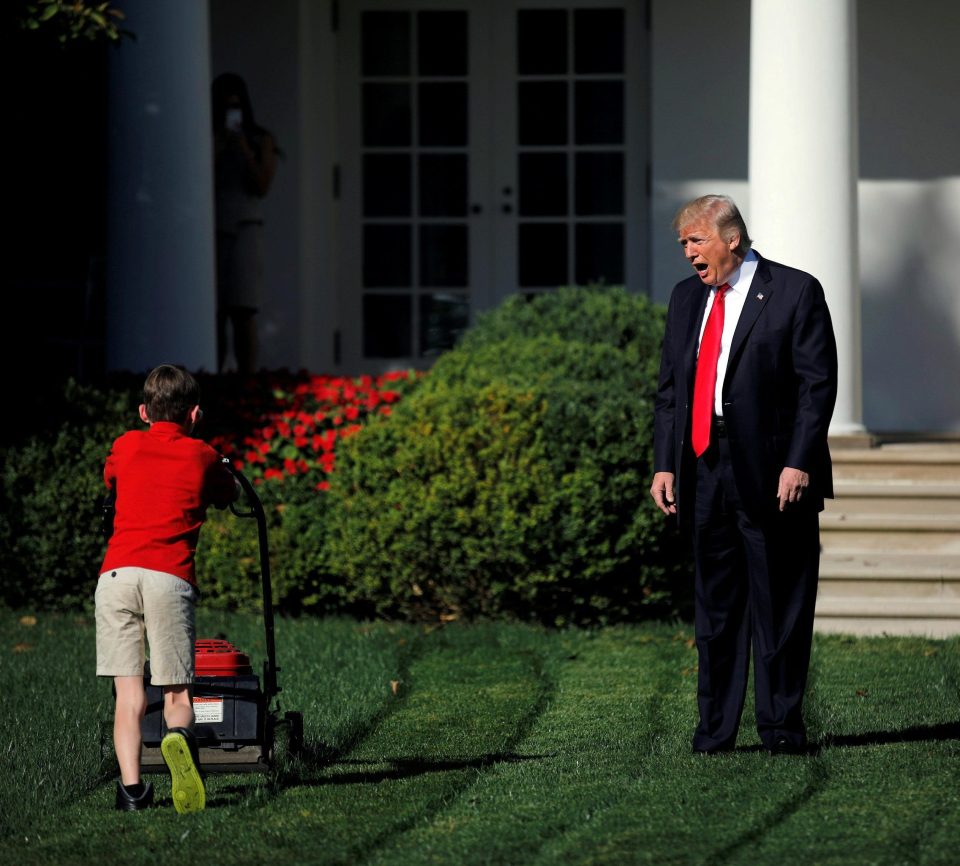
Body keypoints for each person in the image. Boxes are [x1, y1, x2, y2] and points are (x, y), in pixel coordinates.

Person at [650, 195, 838, 756]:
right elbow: (669, 393)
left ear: (731, 239)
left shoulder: (794, 290)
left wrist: (799, 460)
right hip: (704, 469)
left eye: (696, 241)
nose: (688, 253)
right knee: (716, 608)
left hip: (775, 470)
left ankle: (781, 728)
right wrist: (665, 463)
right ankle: (715, 732)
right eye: (683, 243)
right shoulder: (687, 299)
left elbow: (816, 386)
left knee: (779, 604)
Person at [96, 364, 239, 812]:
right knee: (177, 692)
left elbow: (111, 479)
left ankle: (132, 792)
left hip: (115, 576)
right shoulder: (202, 454)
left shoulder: (125, 444)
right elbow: (228, 493)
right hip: (167, 576)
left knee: (129, 693)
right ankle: (178, 737)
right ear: (195, 414)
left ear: (143, 410)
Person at [211, 72, 278, 374]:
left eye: (235, 107)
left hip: (246, 227)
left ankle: (247, 380)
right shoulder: (207, 139)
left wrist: (242, 148)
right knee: (214, 312)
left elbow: (262, 185)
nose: (231, 113)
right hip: (211, 230)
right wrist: (219, 145)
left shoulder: (259, 140)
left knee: (243, 310)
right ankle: (209, 376)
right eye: (225, 107)